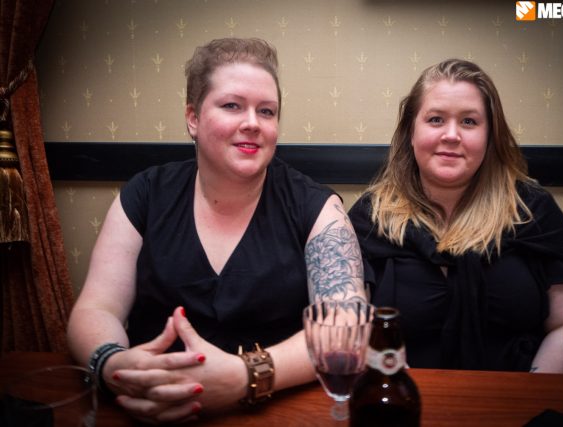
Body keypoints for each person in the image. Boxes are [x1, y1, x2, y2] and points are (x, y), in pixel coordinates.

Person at [67, 38, 366, 424]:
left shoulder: (318, 209)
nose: (252, 123)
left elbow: (348, 332)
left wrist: (247, 376)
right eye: (232, 106)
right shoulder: (144, 194)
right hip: (147, 410)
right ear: (193, 117)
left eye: (267, 111)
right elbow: (96, 307)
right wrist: (113, 365)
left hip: (275, 411)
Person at [348, 59, 563, 373]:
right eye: (436, 119)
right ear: (411, 131)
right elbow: (352, 325)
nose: (451, 135)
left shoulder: (532, 210)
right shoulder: (370, 217)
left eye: (469, 121)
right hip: (403, 392)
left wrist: (533, 394)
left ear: (490, 135)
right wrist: (394, 385)